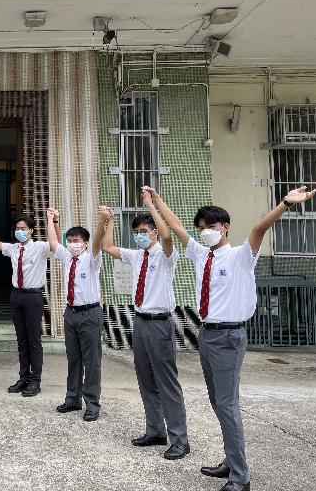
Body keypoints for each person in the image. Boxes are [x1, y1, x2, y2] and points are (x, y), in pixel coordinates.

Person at [145, 184, 316, 491]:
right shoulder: (200, 254)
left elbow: (259, 228)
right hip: (208, 334)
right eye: (201, 228)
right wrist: (155, 199)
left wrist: (286, 204)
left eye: (210, 227)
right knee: (218, 402)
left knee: (227, 405)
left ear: (224, 228)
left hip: (229, 337)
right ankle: (230, 460)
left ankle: (240, 476)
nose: (205, 232)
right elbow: (175, 226)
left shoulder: (240, 256)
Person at [99, 193, 190, 459]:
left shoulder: (165, 255)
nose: (140, 235)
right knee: (145, 379)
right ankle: (155, 431)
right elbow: (107, 247)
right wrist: (110, 222)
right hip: (140, 321)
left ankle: (180, 439)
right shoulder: (136, 256)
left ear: (152, 233)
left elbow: (168, 235)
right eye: (136, 231)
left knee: (167, 382)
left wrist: (151, 205)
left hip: (160, 323)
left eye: (144, 231)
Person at [46, 207, 105, 422]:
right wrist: (51, 220)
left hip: (90, 313)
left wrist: (101, 220)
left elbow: (98, 242)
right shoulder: (67, 258)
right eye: (69, 240)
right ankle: (72, 399)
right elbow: (53, 243)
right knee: (73, 359)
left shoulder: (92, 259)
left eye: (77, 240)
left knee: (92, 361)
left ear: (86, 243)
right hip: (71, 313)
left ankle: (92, 403)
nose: (72, 243)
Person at [0, 209, 49, 397]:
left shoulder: (40, 247)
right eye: (17, 228)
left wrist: (53, 221)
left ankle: (35, 380)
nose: (19, 231)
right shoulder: (14, 248)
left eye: (23, 228)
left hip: (33, 297)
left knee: (33, 340)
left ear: (31, 230)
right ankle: (24, 376)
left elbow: (57, 244)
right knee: (21, 340)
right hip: (16, 296)